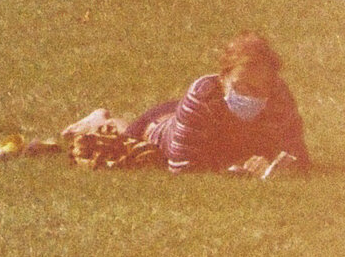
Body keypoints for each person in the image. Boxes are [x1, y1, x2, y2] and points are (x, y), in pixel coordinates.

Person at [131, 31, 309, 175]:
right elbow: (181, 166)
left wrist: (270, 164)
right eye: (241, 86)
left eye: (258, 90)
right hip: (160, 124)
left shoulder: (278, 96)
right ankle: (104, 117)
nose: (249, 96)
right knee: (122, 138)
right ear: (223, 77)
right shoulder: (202, 94)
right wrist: (235, 166)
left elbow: (298, 155)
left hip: (197, 122)